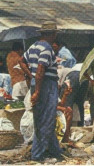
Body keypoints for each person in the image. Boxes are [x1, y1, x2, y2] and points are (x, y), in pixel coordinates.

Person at [18, 21, 63, 161]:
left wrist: (29, 76)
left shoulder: (33, 46)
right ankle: (38, 155)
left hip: (37, 84)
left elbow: (22, 61)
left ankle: (56, 152)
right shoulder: (47, 48)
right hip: (46, 86)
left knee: (41, 119)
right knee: (47, 120)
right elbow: (40, 70)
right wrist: (37, 90)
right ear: (53, 34)